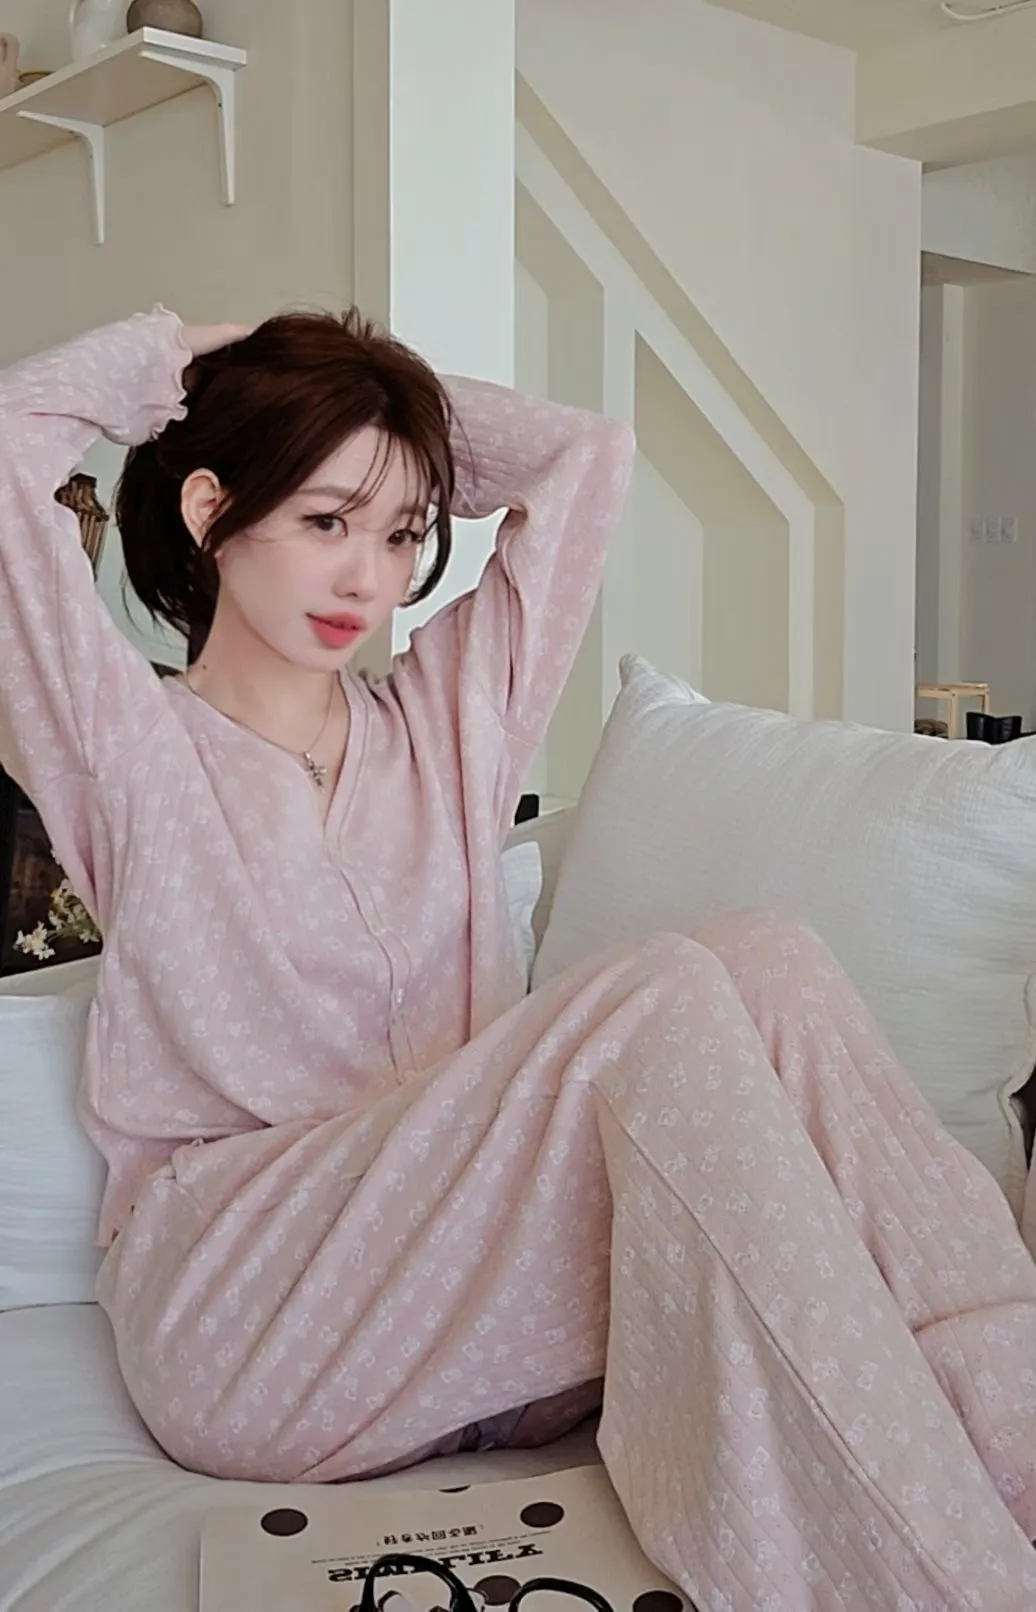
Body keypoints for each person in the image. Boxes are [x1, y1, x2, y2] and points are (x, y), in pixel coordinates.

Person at [1, 309, 1035, 1612]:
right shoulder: (126, 751)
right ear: (212, 512)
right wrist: (192, 357)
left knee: (764, 958)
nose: (368, 579)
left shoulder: (447, 726)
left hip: (479, 1313)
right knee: (661, 997)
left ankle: (1011, 1436)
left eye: (401, 535)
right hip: (255, 1314)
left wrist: (390, 414)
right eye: (325, 521)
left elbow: (585, 459)